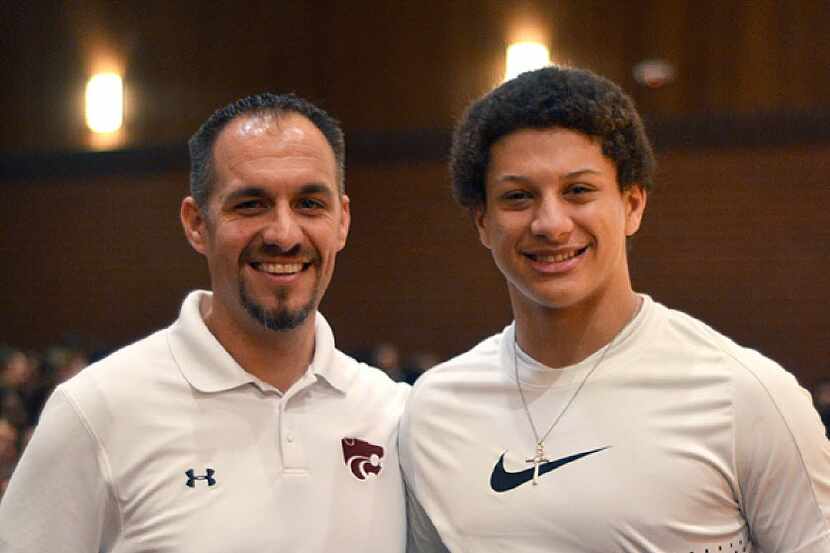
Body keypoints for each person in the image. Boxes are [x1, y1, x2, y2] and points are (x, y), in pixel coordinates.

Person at [399, 66, 830, 553]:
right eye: (518, 197)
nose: (551, 223)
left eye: (578, 191)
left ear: (632, 204)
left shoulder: (746, 397)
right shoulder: (435, 410)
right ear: (482, 222)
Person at [0, 93, 409, 552]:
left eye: (309, 203)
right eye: (251, 204)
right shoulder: (97, 411)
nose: (283, 234)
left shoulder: (395, 416)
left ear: (342, 221)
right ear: (196, 223)